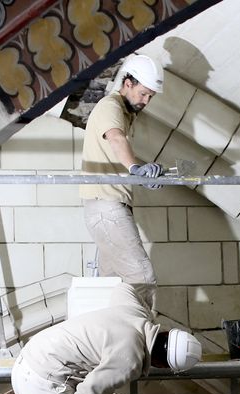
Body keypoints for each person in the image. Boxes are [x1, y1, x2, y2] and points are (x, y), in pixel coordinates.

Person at [11, 282, 201, 394]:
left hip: (29, 364)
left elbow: (124, 287)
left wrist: (148, 318)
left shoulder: (134, 311)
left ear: (166, 333)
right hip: (43, 383)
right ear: (162, 365)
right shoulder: (130, 359)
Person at [80, 53, 166, 311]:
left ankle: (108, 341)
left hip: (103, 206)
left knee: (112, 285)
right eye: (143, 93)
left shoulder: (125, 113)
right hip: (107, 206)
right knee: (142, 277)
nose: (146, 101)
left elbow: (118, 152)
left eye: (150, 96)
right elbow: (116, 140)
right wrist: (136, 169)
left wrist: (143, 169)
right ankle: (141, 340)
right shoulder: (111, 106)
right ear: (127, 83)